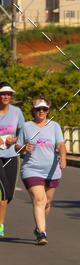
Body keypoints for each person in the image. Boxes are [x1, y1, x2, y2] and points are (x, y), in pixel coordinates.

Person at [19, 96, 66, 246]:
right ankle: (42, 233)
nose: (41, 111)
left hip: (52, 171)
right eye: (38, 109)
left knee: (47, 203)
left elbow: (60, 144)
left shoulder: (54, 126)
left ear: (48, 111)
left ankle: (39, 227)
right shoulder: (26, 127)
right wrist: (24, 148)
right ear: (33, 110)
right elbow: (17, 147)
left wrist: (63, 157)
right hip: (31, 169)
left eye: (44, 109)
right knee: (40, 199)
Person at [0, 82, 25, 238]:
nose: (6, 96)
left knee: (9, 195)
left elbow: (23, 131)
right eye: (3, 94)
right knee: (2, 192)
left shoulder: (17, 112)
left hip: (11, 156)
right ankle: (0, 225)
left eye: (8, 94)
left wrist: (15, 141)